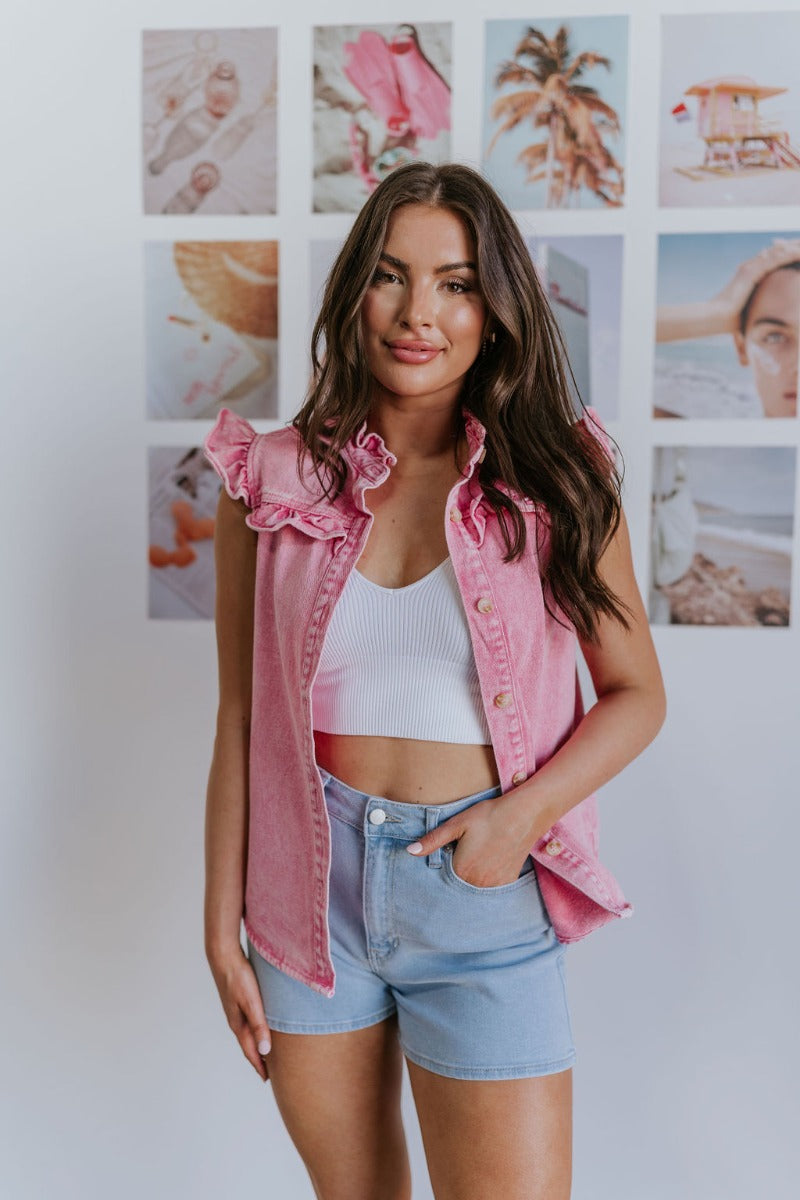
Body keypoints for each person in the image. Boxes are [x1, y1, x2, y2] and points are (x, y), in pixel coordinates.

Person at [203, 161, 666, 1200]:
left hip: (480, 895)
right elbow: (240, 715)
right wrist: (216, 923)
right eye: (389, 274)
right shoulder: (270, 483)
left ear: (495, 309)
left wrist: (516, 823)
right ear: (351, 291)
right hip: (304, 900)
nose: (419, 312)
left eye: (456, 283)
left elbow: (637, 692)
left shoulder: (555, 480)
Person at [656, 238, 800, 418]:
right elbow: (625, 331)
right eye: (775, 337)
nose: (797, 366)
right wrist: (719, 311)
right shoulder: (686, 440)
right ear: (741, 348)